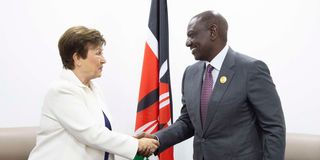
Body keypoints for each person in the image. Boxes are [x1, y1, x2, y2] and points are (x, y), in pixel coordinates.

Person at [141, 10, 286, 160]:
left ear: (212, 32)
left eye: (191, 34)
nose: (187, 42)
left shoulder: (250, 70)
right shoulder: (190, 73)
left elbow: (273, 128)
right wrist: (156, 140)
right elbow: (187, 122)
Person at [28, 26, 159, 160]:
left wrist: (131, 140)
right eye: (98, 53)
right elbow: (91, 134)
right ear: (77, 58)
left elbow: (100, 133)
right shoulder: (61, 90)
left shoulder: (93, 88)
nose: (103, 60)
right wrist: (135, 144)